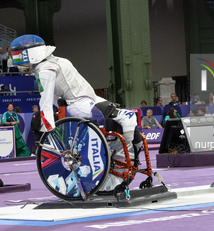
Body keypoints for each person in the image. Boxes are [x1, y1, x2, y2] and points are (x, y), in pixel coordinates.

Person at [10, 34, 143, 158]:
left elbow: (46, 101)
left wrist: (49, 129)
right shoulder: (60, 60)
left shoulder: (45, 70)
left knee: (125, 117)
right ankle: (133, 152)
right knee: (124, 116)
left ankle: (130, 151)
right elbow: (55, 97)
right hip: (87, 99)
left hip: (79, 103)